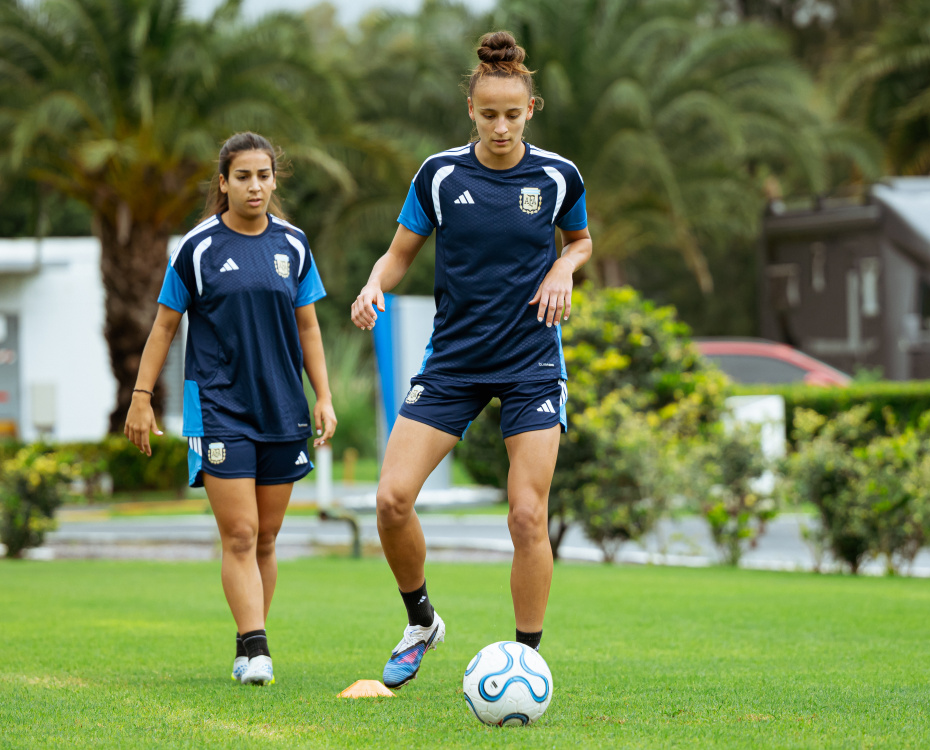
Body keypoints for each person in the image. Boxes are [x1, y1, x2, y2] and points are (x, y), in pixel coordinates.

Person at [351, 31, 592, 689]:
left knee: (527, 514)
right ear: (471, 111)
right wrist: (374, 285)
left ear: (531, 109)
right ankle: (421, 621)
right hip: (454, 362)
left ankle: (527, 658)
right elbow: (398, 254)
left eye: (513, 114)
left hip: (531, 362)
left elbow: (580, 241)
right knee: (391, 500)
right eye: (489, 115)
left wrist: (564, 267)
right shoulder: (439, 175)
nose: (501, 127)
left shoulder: (557, 175)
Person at [125, 132, 337, 687]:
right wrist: (141, 398)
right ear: (223, 183)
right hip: (218, 408)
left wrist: (324, 396)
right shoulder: (197, 248)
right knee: (240, 534)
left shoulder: (294, 244)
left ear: (274, 179)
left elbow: (308, 328)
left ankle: (246, 639)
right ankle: (259, 648)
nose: (254, 186)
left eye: (263, 176)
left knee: (265, 538)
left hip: (283, 408)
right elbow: (164, 327)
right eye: (243, 176)